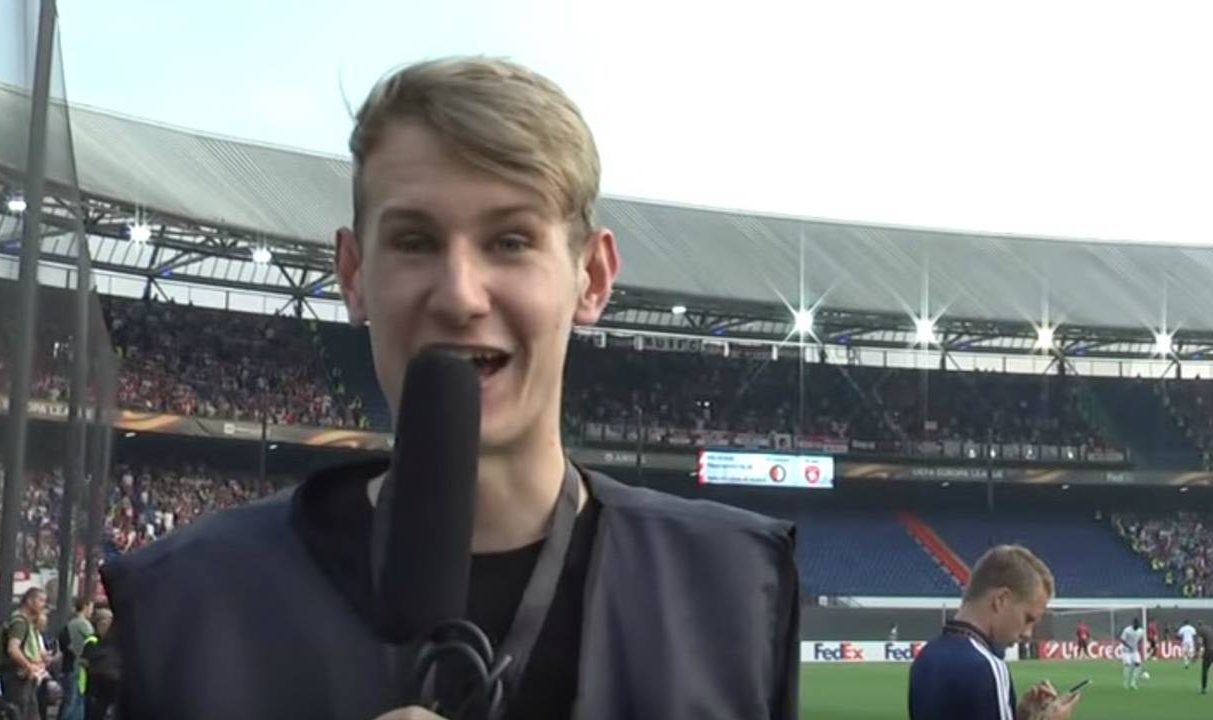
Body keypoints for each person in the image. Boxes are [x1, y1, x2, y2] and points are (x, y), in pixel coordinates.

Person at [101, 56, 800, 720]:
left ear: (592, 279)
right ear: (352, 274)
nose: (460, 296)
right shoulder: (186, 602)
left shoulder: (732, 588)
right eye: (413, 241)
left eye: (510, 242)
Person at [908, 544, 1081, 720]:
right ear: (1001, 600)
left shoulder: (926, 656)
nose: (1028, 634)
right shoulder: (988, 668)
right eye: (1028, 619)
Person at [0, 587, 49, 720]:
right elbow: (13, 649)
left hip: (27, 678)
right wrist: (28, 666)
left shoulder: (29, 624)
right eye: (40, 600)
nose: (43, 604)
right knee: (20, 713)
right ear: (29, 600)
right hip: (18, 677)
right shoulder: (20, 623)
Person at [60, 597, 96, 720]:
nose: (92, 611)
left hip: (71, 666)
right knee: (74, 701)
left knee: (73, 700)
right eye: (91, 607)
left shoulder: (70, 623)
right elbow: (93, 643)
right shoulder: (83, 624)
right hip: (77, 667)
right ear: (85, 606)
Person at [81, 609, 118, 720]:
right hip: (97, 683)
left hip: (105, 682)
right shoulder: (93, 640)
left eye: (108, 623)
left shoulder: (115, 641)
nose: (105, 626)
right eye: (103, 624)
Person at [1120, 617, 1146, 689]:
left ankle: (1133, 682)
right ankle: (1125, 683)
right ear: (1133, 623)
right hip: (1126, 651)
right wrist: (1128, 646)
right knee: (1127, 666)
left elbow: (1140, 640)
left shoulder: (1141, 631)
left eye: (1138, 624)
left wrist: (1138, 647)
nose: (1136, 625)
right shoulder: (1127, 630)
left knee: (1138, 665)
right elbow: (1122, 640)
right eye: (1135, 624)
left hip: (1135, 651)